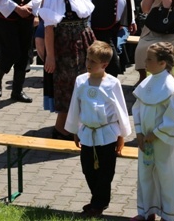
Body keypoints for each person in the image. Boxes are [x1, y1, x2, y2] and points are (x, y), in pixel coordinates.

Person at [64, 41, 131, 219]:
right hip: (87, 132)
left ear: (104, 65)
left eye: (93, 61)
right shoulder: (81, 81)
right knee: (88, 168)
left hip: (107, 133)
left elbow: (121, 109)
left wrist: (122, 135)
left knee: (105, 171)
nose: (88, 64)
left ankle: (100, 203)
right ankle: (97, 198)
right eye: (88, 59)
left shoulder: (112, 83)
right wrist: (75, 130)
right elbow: (75, 106)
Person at [132, 42, 174, 221]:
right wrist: (139, 131)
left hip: (163, 142)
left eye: (149, 59)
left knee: (166, 177)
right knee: (145, 175)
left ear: (162, 63)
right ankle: (146, 212)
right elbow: (137, 108)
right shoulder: (147, 82)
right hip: (145, 140)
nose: (145, 62)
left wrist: (155, 134)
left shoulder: (171, 87)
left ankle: (168, 215)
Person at [39, 0, 95, 139]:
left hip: (82, 42)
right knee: (69, 85)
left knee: (81, 83)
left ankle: (73, 125)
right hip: (66, 46)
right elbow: (48, 28)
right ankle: (61, 128)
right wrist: (50, 56)